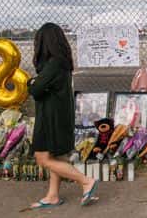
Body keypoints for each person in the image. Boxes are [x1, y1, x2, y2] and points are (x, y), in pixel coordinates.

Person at [28, 23, 98, 209]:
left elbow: (35, 89)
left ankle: (85, 181)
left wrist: (31, 82)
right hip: (60, 115)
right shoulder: (62, 63)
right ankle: (52, 196)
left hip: (50, 118)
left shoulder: (54, 64)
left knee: (42, 158)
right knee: (58, 157)